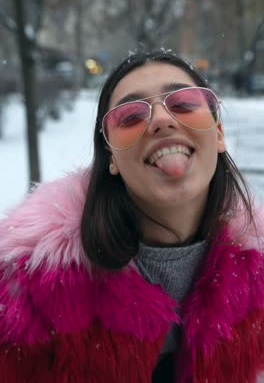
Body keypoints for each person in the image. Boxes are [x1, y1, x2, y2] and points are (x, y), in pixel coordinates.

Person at [0, 49, 263, 383]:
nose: (162, 120)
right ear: (110, 157)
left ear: (219, 133)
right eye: (130, 117)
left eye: (183, 103)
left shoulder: (259, 281)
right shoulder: (28, 290)